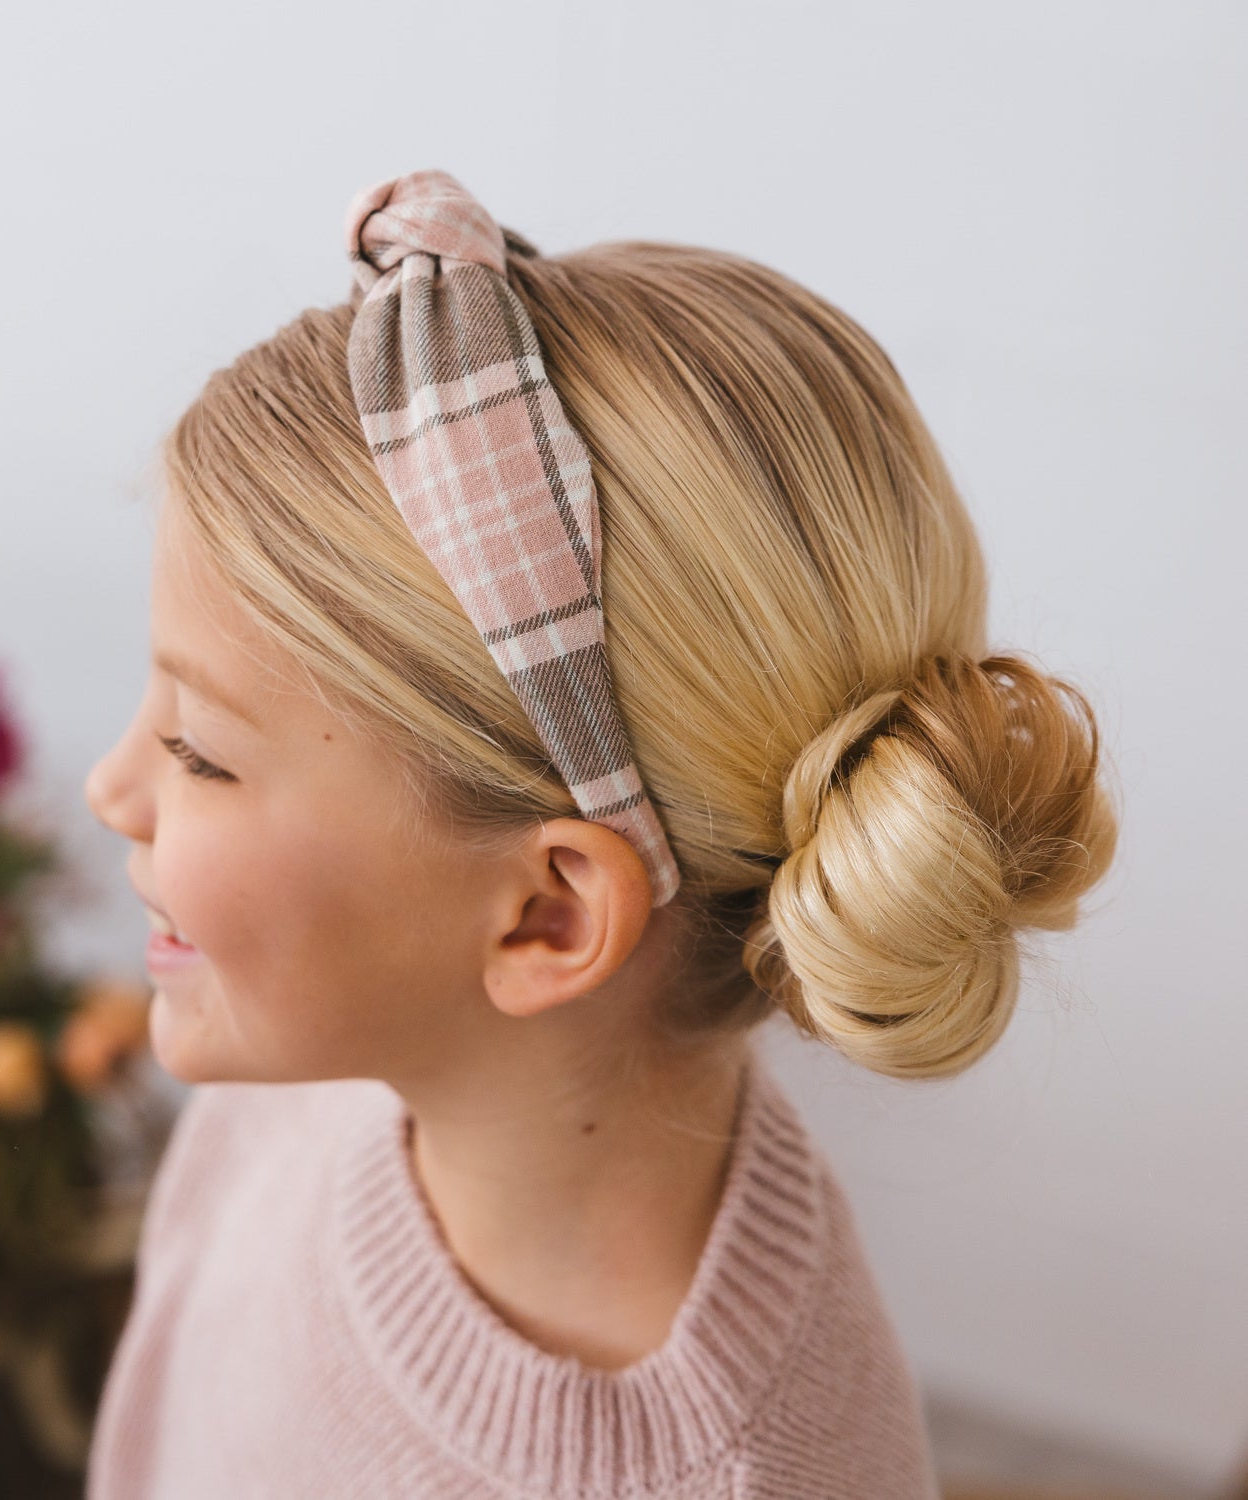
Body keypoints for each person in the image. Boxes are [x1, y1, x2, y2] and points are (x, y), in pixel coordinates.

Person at [81, 169, 1116, 1499]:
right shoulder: (320, 1072)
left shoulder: (756, 1475)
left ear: (548, 917)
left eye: (197, 751)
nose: (113, 786)